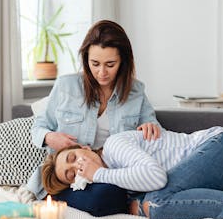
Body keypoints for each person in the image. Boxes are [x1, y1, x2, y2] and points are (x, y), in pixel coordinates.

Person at [41, 127, 223, 219]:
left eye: (73, 157)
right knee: (154, 203)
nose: (77, 166)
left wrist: (99, 174)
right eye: (71, 173)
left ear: (85, 148)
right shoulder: (119, 181)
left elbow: (156, 178)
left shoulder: (114, 148)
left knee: (155, 204)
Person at [28, 20, 161, 200]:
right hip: (73, 178)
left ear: (123, 61)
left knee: (108, 195)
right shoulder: (66, 86)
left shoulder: (135, 92)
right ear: (86, 59)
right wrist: (50, 137)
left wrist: (150, 127)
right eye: (95, 63)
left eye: (110, 64)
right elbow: (38, 127)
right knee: (99, 198)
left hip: (113, 175)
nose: (102, 72)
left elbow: (152, 128)